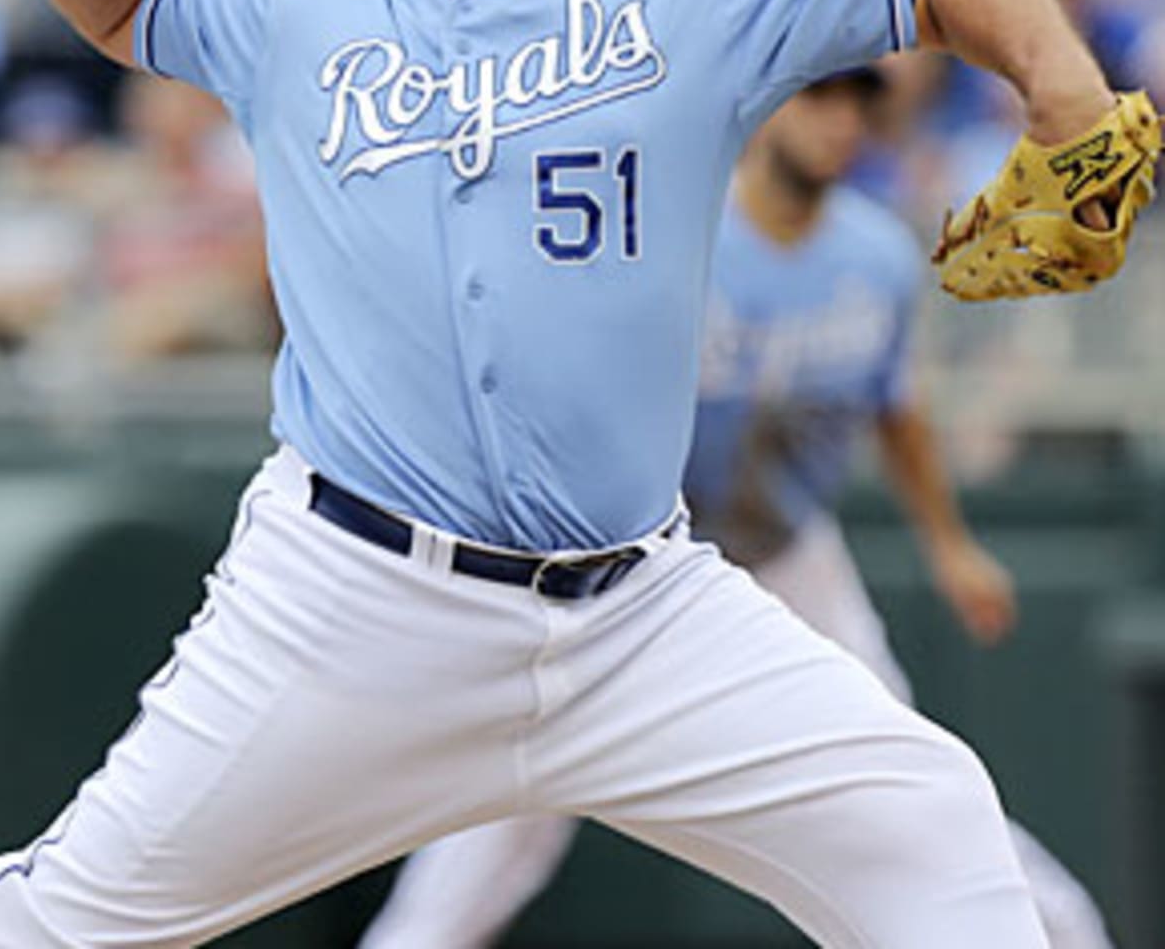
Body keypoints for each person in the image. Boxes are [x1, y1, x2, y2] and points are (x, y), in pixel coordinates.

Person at [0, 0, 1124, 943]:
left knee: (933, 824)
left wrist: (1066, 93)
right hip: (358, 602)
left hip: (641, 613)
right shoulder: (303, 17)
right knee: (67, 920)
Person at [355, 70, 1115, 949]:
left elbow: (896, 408)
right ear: (765, 110)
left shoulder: (876, 256)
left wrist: (948, 544)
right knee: (509, 811)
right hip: (632, 566)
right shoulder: (674, 236)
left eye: (854, 104)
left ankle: (1058, 933)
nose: (838, 122)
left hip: (787, 558)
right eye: (817, 97)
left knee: (903, 772)